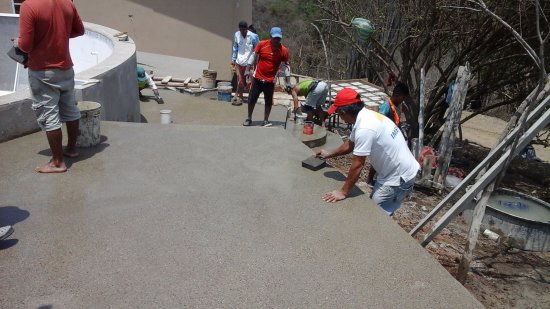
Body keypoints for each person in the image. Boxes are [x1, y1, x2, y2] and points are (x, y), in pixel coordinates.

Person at [316, 88, 420, 216]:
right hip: (397, 171)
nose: (340, 118)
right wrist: (329, 154)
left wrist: (343, 192)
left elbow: (358, 163)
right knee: (376, 211)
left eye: (338, 113)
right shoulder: (365, 116)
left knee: (376, 216)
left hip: (399, 178)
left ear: (344, 112)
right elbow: (350, 145)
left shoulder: (365, 127)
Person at [16, 0, 85, 173]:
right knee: (70, 109)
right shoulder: (67, 2)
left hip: (42, 71)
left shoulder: (29, 6)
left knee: (49, 115)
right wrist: (58, 35)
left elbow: (25, 45)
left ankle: (57, 162)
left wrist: (17, 42)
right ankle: (71, 149)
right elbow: (79, 30)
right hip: (66, 68)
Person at [243, 26, 291, 127]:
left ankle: (265, 120)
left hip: (270, 80)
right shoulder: (262, 45)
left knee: (268, 101)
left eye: (279, 38)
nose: (277, 40)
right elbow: (253, 56)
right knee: (252, 99)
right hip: (258, 78)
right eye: (275, 38)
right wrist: (247, 69)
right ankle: (249, 118)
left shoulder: (284, 50)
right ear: (270, 36)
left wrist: (288, 81)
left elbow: (287, 66)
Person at [231, 21, 259, 106]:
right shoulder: (237, 35)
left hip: (249, 63)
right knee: (240, 81)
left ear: (247, 29)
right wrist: (233, 59)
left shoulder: (253, 36)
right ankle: (240, 97)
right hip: (239, 62)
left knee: (249, 81)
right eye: (240, 29)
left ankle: (251, 98)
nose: (242, 31)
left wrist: (255, 61)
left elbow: (257, 49)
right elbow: (235, 47)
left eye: (244, 29)